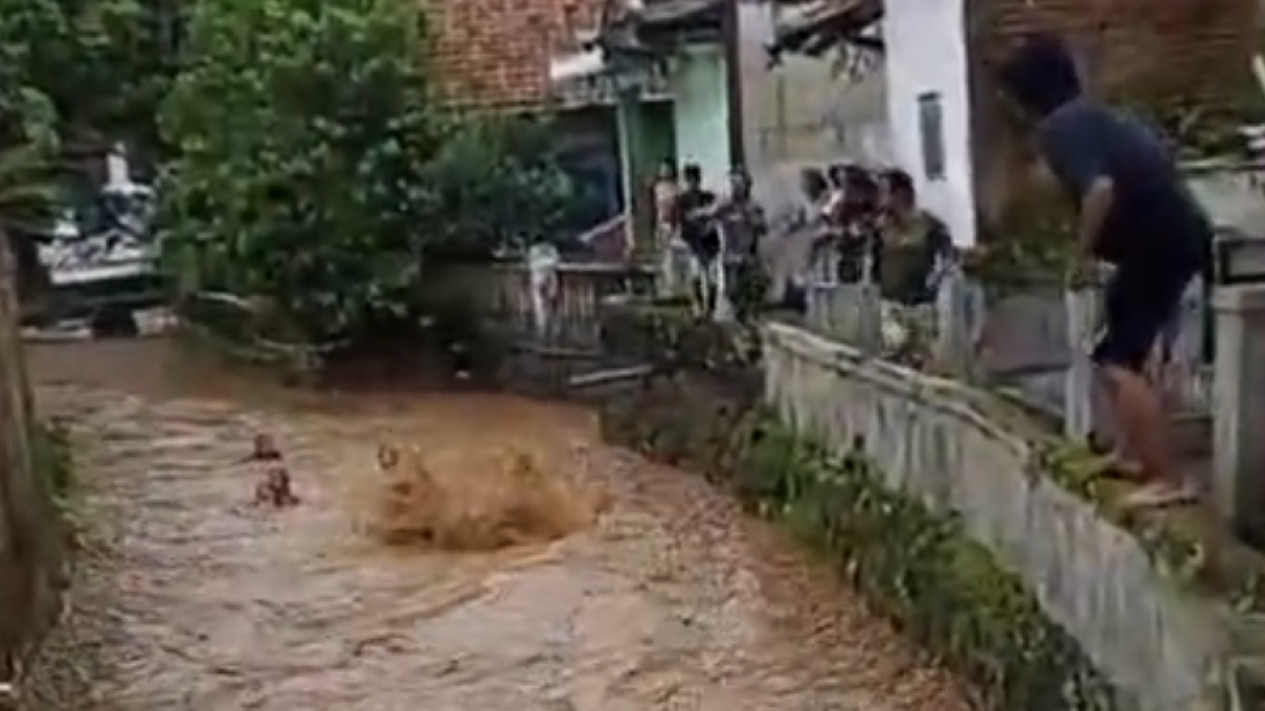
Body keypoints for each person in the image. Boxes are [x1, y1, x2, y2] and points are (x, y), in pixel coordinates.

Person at [998, 32, 1212, 508]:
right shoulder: (1095, 116)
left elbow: (1100, 190)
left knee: (1118, 361)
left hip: (1158, 246)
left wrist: (1082, 255)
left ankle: (1168, 477)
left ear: (1025, 95)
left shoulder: (1059, 128)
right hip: (1168, 239)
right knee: (1112, 353)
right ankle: (1133, 452)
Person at [877, 169, 953, 305]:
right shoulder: (882, 226)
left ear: (900, 194)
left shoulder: (929, 225)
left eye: (884, 192)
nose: (880, 198)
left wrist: (934, 283)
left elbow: (947, 259)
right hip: (886, 307)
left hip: (919, 306)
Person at [675, 164, 718, 316]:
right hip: (693, 242)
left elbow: (714, 215)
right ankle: (699, 307)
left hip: (710, 242)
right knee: (696, 274)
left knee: (712, 276)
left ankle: (710, 309)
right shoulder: (682, 200)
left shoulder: (708, 197)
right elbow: (682, 221)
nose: (693, 183)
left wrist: (707, 224)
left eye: (695, 179)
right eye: (690, 180)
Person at [651, 160, 687, 297]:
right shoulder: (657, 188)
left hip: (673, 225)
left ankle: (676, 288)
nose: (665, 171)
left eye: (667, 169)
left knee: (674, 256)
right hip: (661, 225)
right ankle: (663, 288)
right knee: (662, 256)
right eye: (662, 169)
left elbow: (677, 209)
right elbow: (656, 209)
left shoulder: (677, 188)